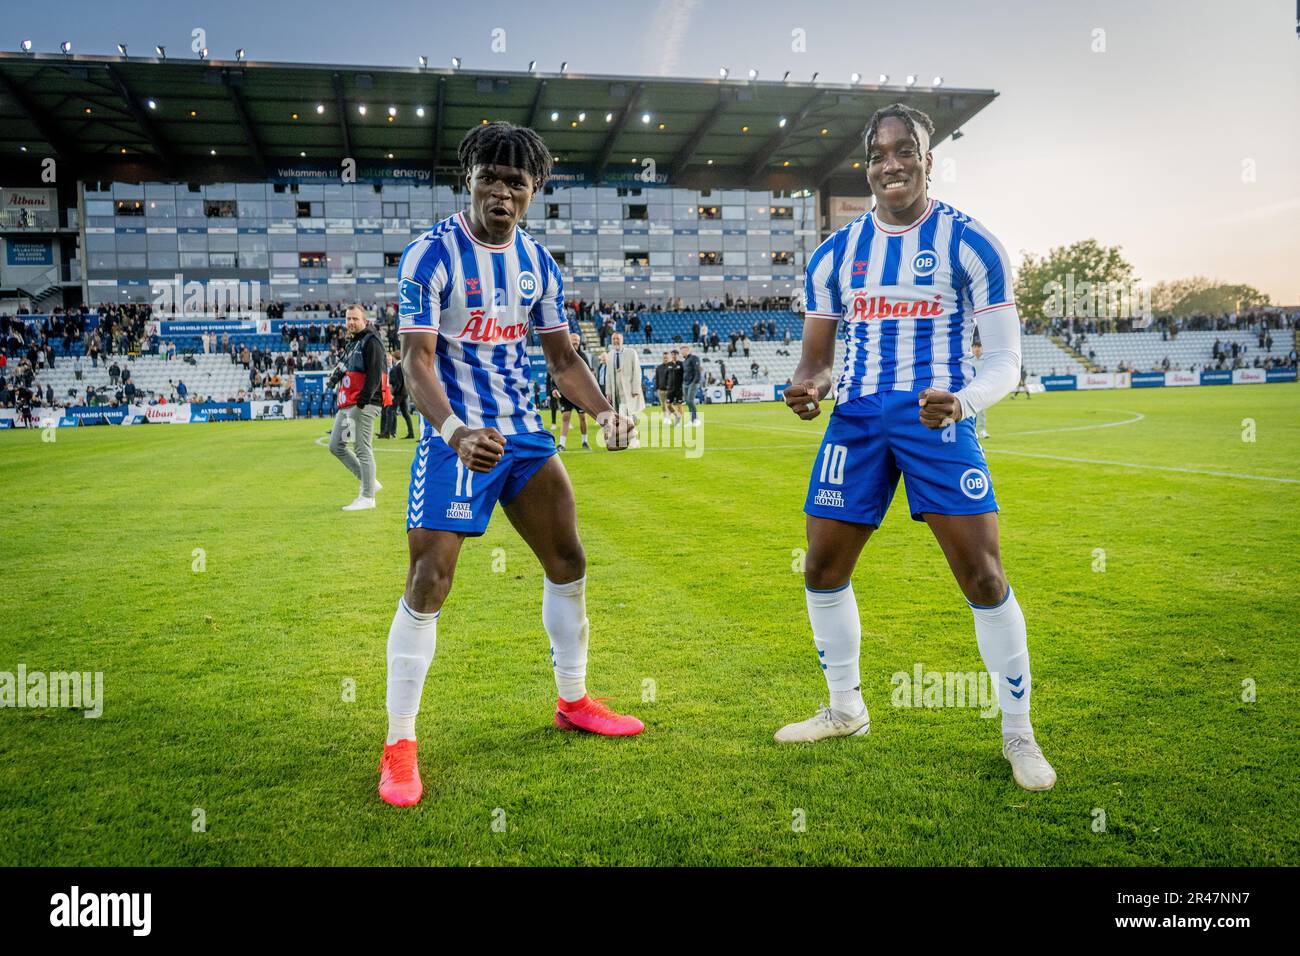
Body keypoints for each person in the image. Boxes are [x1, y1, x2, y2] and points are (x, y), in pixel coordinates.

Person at [777, 103, 1055, 792]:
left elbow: (1007, 361)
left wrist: (964, 401)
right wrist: (806, 387)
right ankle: (846, 709)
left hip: (939, 418)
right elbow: (815, 362)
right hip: (859, 420)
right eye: (878, 152)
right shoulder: (835, 255)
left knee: (984, 578)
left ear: (929, 160)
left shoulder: (973, 245)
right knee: (821, 569)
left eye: (906, 150)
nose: (891, 162)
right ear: (865, 165)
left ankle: (1018, 733)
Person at [381, 121, 644, 808]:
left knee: (569, 560)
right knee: (429, 579)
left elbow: (562, 359)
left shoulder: (538, 264)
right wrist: (454, 430)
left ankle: (574, 699)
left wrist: (604, 413)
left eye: (515, 182)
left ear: (533, 193)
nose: (501, 190)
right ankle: (400, 743)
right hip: (456, 437)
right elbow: (416, 360)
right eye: (489, 177)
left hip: (524, 435)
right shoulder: (428, 256)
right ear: (468, 179)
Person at [329, 305, 390, 510]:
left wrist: (363, 402)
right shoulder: (353, 342)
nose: (351, 322)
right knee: (336, 445)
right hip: (348, 403)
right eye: (348, 319)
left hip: (363, 403)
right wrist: (335, 376)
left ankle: (368, 497)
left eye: (355, 318)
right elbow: (346, 366)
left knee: (362, 448)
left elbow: (375, 375)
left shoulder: (371, 341)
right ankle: (369, 481)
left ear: (364, 320)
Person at [602, 331, 643, 446]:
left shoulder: (631, 353)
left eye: (617, 339)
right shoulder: (610, 355)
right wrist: (608, 392)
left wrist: (636, 389)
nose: (615, 341)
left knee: (626, 415)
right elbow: (608, 375)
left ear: (622, 340)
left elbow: (637, 371)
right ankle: (626, 439)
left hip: (628, 390)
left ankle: (634, 440)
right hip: (615, 392)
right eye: (614, 339)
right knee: (620, 417)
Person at [556, 332, 594, 450]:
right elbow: (555, 373)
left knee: (582, 417)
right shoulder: (562, 355)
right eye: (573, 340)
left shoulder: (583, 356)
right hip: (565, 393)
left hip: (579, 394)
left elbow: (588, 375)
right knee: (565, 417)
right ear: (568, 340)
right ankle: (562, 444)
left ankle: (585, 441)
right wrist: (554, 388)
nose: (576, 342)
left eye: (577, 340)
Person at [680, 343, 702, 426]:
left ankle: (696, 419)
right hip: (685, 384)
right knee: (688, 402)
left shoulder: (694, 358)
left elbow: (697, 371)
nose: (682, 352)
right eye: (681, 351)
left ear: (688, 350)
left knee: (690, 401)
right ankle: (692, 420)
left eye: (683, 350)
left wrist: (695, 382)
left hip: (692, 383)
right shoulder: (684, 361)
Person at [971, 344, 989, 438]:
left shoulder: (986, 361)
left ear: (982, 349)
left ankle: (982, 430)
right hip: (970, 388)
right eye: (975, 347)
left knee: (981, 411)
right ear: (972, 349)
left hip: (981, 388)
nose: (977, 349)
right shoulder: (970, 360)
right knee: (970, 410)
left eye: (979, 347)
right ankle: (972, 430)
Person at [665, 348, 685, 425]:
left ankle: (678, 422)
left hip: (679, 388)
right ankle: (677, 415)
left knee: (679, 404)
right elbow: (666, 376)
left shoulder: (682, 364)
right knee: (668, 404)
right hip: (670, 388)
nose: (674, 356)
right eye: (672, 355)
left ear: (678, 355)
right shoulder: (668, 365)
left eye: (675, 354)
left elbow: (685, 375)